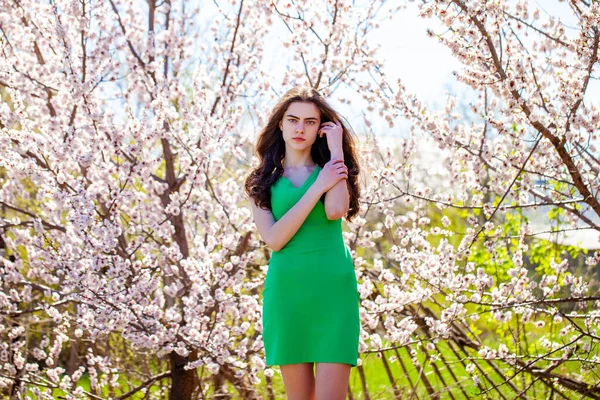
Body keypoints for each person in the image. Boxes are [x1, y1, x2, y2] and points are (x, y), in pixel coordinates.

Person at [244, 86, 362, 400]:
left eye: (310, 122)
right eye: (293, 119)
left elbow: (336, 209)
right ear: (280, 124)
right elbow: (274, 239)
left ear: (320, 129)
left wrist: (336, 154)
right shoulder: (261, 181)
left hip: (333, 291)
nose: (300, 128)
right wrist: (316, 188)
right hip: (288, 293)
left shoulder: (330, 168)